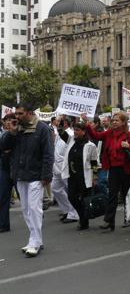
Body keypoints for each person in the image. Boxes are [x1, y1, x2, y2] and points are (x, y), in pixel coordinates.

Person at [9, 103, 54, 257]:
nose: (17, 116)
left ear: (29, 113)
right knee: (26, 210)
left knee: (35, 209)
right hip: (21, 175)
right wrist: (12, 133)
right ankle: (35, 240)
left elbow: (48, 153)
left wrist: (46, 175)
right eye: (16, 113)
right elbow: (4, 146)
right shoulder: (18, 129)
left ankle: (34, 242)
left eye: (20, 113)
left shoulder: (42, 128)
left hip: (36, 175)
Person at [83, 112, 130, 232]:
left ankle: (127, 218)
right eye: (113, 120)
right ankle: (109, 221)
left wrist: (129, 146)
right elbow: (96, 136)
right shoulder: (109, 133)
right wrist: (86, 123)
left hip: (126, 169)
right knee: (112, 195)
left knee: (126, 196)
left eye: (117, 120)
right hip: (113, 168)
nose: (114, 122)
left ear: (123, 122)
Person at [61, 122, 99, 230]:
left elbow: (94, 162)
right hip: (72, 176)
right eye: (74, 130)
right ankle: (82, 216)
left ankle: (84, 221)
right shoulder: (72, 141)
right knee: (72, 197)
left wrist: (95, 176)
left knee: (84, 199)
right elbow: (62, 134)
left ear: (84, 132)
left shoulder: (90, 145)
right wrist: (61, 122)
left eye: (78, 130)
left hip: (84, 176)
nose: (75, 132)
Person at [52, 117, 80, 224]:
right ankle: (67, 210)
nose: (57, 123)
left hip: (65, 167)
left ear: (66, 123)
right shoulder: (58, 134)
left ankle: (74, 213)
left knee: (71, 191)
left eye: (60, 121)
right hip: (56, 167)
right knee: (56, 189)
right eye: (57, 121)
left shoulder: (71, 134)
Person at [0, 114, 17, 233]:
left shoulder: (19, 134)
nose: (9, 123)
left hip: (18, 170)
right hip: (5, 169)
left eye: (12, 121)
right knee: (3, 197)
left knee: (26, 199)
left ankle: (36, 218)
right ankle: (4, 224)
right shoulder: (3, 135)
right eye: (7, 121)